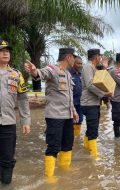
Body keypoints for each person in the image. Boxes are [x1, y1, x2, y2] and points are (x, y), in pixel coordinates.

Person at [25, 48, 78, 180]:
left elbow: (68, 95)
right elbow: (41, 73)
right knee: (53, 147)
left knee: (67, 145)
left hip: (68, 116)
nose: (75, 60)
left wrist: (74, 111)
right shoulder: (52, 69)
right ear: (68, 57)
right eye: (74, 57)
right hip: (55, 116)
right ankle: (49, 178)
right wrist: (34, 71)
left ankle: (65, 172)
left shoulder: (68, 74)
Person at [0, 39, 31, 184]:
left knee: (7, 158)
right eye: (2, 50)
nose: (5, 53)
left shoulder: (16, 75)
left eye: (7, 51)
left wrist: (25, 121)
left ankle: (6, 185)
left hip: (8, 123)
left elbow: (23, 99)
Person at [81, 49, 112, 159]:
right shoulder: (88, 67)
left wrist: (104, 66)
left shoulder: (93, 67)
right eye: (100, 56)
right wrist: (104, 94)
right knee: (93, 129)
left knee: (92, 127)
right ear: (96, 57)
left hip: (93, 102)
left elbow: (102, 79)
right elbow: (90, 85)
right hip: (88, 103)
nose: (100, 58)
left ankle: (86, 149)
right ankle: (94, 156)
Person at [69, 56, 83, 137]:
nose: (80, 65)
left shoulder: (81, 73)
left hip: (80, 102)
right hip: (71, 102)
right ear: (73, 63)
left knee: (80, 119)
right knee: (71, 121)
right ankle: (71, 136)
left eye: (81, 64)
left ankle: (76, 137)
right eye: (78, 63)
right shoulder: (69, 73)